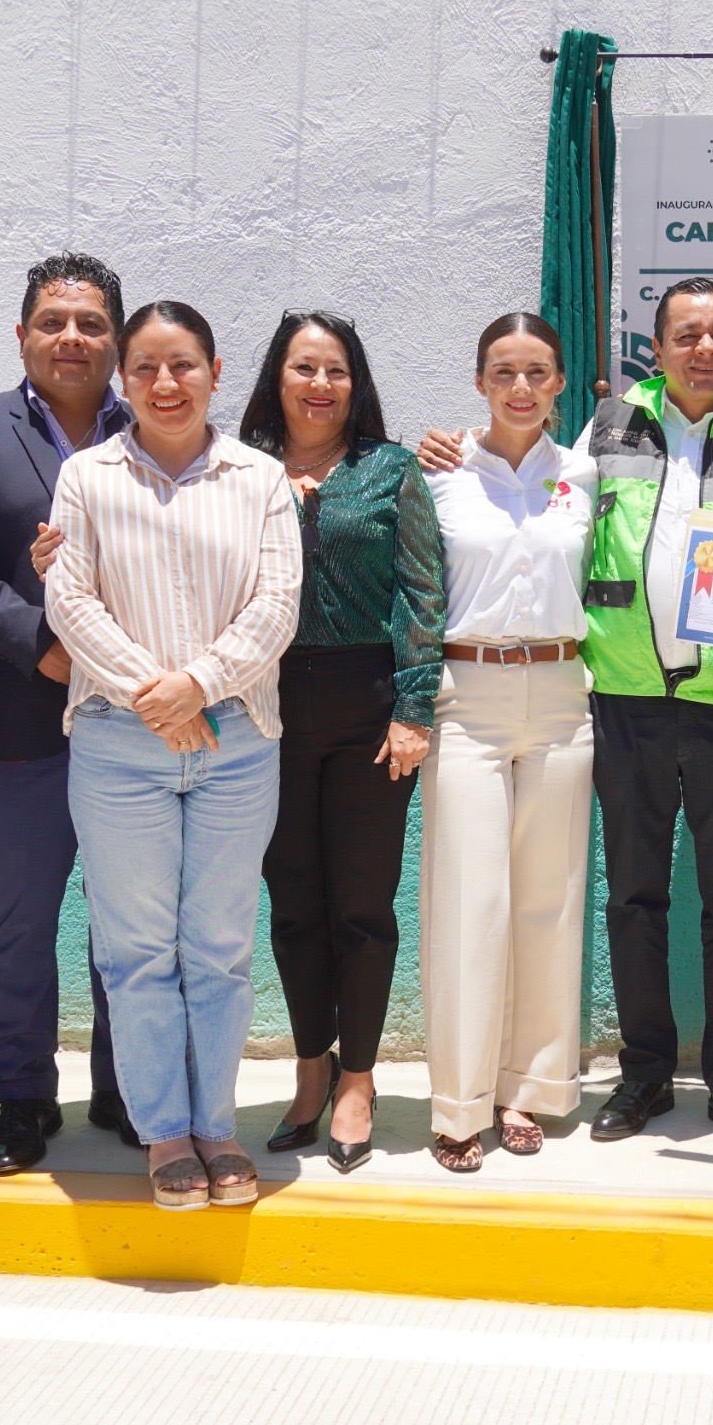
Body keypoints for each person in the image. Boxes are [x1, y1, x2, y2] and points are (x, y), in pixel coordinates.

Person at [421, 278, 713, 1155]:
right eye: (687, 335)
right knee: (632, 897)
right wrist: (449, 450)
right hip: (625, 700)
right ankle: (642, 1073)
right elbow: (522, 485)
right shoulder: (601, 436)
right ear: (660, 346)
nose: (704, 349)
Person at [44, 300, 301, 1210]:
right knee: (138, 948)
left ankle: (217, 1124)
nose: (164, 382)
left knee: (221, 945)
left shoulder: (260, 477)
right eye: (145, 366)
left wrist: (197, 685)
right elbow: (70, 600)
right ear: (122, 379)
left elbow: (278, 605)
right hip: (120, 743)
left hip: (236, 740)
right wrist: (154, 696)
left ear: (215, 372)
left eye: (183, 364)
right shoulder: (85, 478)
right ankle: (164, 1133)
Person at [0, 252, 136, 1174]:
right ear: (23, 335)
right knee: (19, 924)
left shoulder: (159, 429)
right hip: (14, 725)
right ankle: (23, 1097)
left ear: (116, 342)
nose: (72, 338)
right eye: (54, 321)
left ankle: (130, 1087)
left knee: (131, 921)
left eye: (90, 323)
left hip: (136, 725)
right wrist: (47, 649)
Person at [238, 312, 443, 1173]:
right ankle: (311, 1071)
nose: (320, 385)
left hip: (367, 705)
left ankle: (358, 1078)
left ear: (355, 385)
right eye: (303, 368)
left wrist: (414, 707)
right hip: (266, 703)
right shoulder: (239, 470)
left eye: (336, 370)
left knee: (362, 903)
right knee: (293, 905)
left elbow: (425, 592)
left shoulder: (389, 470)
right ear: (276, 379)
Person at [414, 314, 598, 1171]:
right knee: (469, 900)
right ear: (480, 381)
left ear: (561, 382)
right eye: (503, 372)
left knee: (548, 901)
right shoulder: (441, 476)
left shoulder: (588, 474)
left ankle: (530, 1089)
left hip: (563, 694)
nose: (520, 388)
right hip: (469, 697)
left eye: (537, 372)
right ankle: (459, 1101)